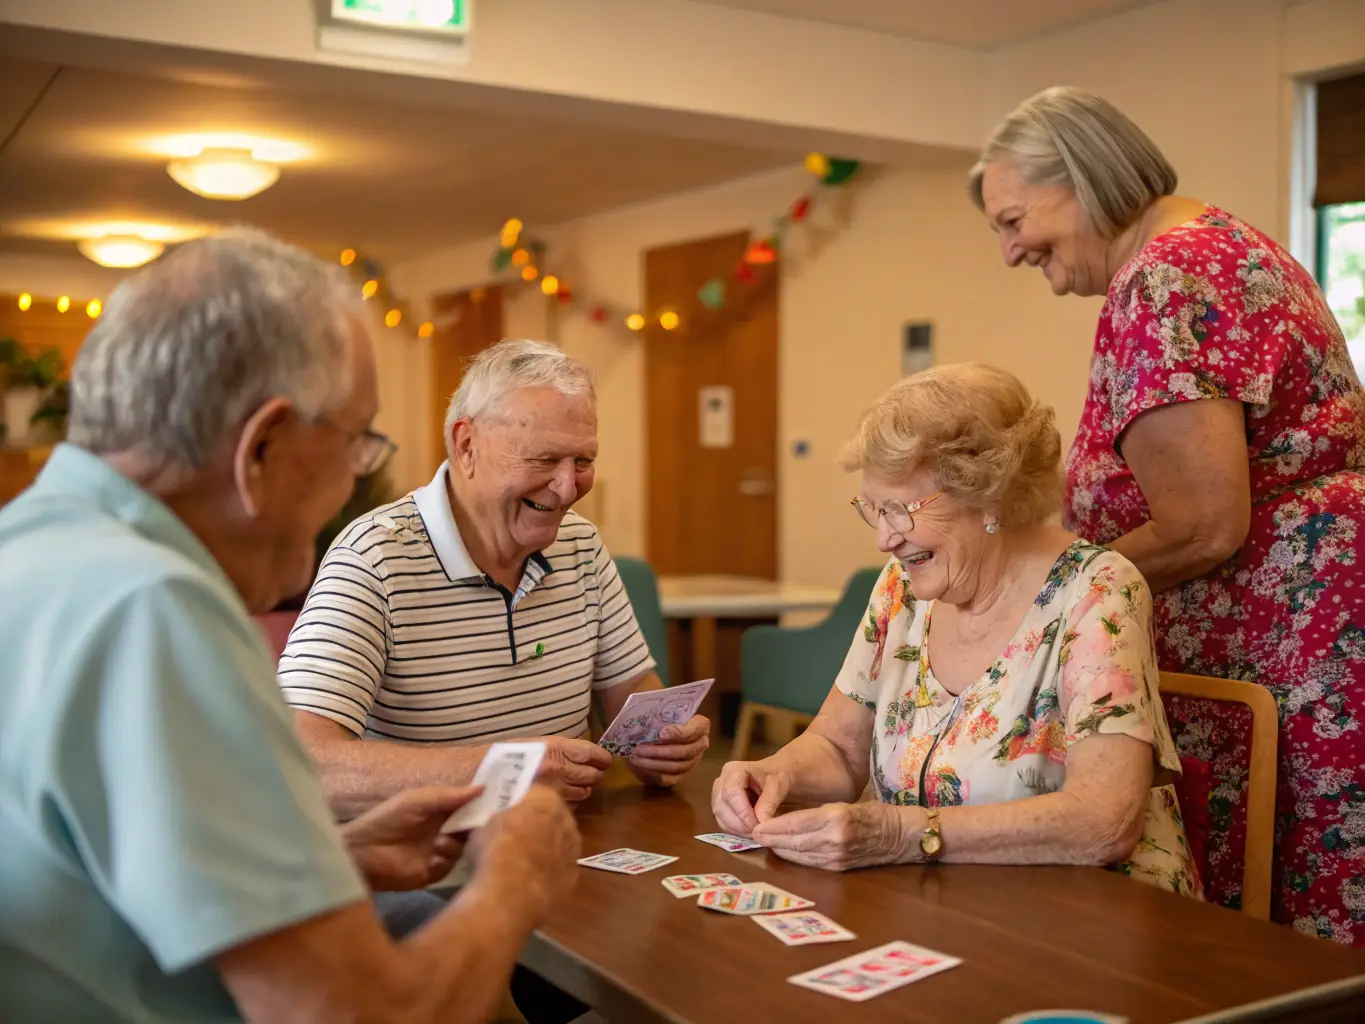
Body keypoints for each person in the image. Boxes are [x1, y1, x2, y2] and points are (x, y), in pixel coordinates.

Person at [0, 229, 581, 1023]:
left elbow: (93, 890)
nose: (358, 476)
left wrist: (338, 856)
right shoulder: (155, 608)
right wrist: (513, 882)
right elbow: (354, 1015)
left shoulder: (32, 546)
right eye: (356, 441)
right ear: (262, 446)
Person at [971, 86, 1365, 942]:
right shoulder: (1225, 245)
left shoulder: (1163, 276)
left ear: (1075, 179)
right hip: (1320, 626)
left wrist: (1045, 601)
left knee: (1282, 940)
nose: (1008, 252)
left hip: (1291, 655)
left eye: (1010, 220)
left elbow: (1200, 525)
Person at [712, 364, 1200, 896]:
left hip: (1094, 915)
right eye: (872, 510)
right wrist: (772, 773)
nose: (883, 538)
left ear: (988, 496)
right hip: (944, 904)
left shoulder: (1096, 591)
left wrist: (907, 833)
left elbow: (1104, 822)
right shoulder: (900, 589)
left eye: (899, 510)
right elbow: (839, 747)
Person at [278, 338, 710, 819]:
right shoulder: (374, 558)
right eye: (544, 460)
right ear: (467, 446)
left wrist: (661, 742)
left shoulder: (580, 545)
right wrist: (506, 769)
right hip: (426, 863)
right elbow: (302, 765)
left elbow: (632, 691)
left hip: (566, 840)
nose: (569, 488)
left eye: (583, 461)